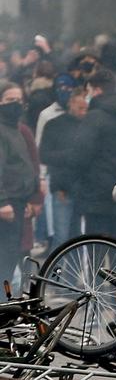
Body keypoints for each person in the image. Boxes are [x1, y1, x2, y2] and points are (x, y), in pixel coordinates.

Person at [71, 69, 116, 240]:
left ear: (96, 90)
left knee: (96, 249)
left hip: (95, 194)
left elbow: (81, 154)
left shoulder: (94, 117)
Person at [0, 82, 38, 286]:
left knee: (11, 257)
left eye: (19, 100)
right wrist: (2, 202)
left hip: (19, 201)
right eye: (10, 100)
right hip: (8, 204)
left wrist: (31, 197)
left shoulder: (17, 129)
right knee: (4, 261)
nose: (15, 104)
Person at [38, 91, 88, 247]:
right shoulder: (54, 125)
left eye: (85, 108)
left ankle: (74, 272)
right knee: (61, 237)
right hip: (62, 188)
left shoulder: (90, 125)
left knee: (78, 238)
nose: (83, 112)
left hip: (84, 187)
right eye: (80, 108)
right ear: (71, 103)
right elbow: (44, 155)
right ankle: (55, 271)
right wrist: (71, 155)